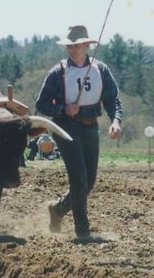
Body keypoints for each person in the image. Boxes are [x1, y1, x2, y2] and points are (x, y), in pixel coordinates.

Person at [36, 25, 122, 240]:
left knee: (89, 181)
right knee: (79, 180)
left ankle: (57, 210)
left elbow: (113, 99)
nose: (72, 50)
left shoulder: (100, 70)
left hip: (91, 128)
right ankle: (82, 232)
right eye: (69, 46)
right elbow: (41, 104)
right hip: (66, 129)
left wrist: (116, 121)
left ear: (86, 45)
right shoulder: (58, 73)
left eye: (76, 46)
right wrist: (63, 109)